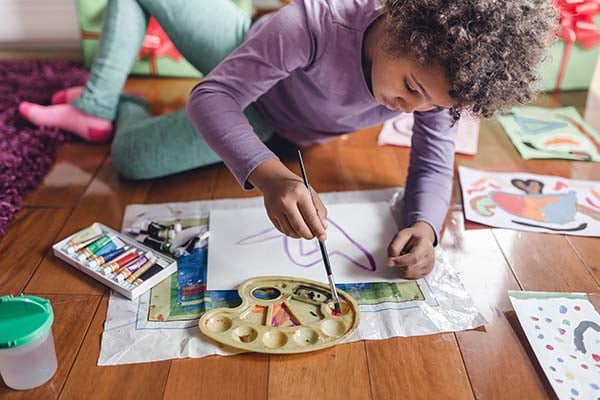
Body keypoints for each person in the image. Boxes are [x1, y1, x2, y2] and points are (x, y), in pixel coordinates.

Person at [19, 0, 557, 279]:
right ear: (396, 18)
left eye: (433, 106)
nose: (412, 110)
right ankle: (96, 104)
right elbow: (211, 98)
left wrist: (424, 226)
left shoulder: (441, 82)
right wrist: (268, 173)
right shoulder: (313, 22)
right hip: (244, 50)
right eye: (411, 88)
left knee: (130, 158)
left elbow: (435, 158)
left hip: (267, 119)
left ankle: (126, 107)